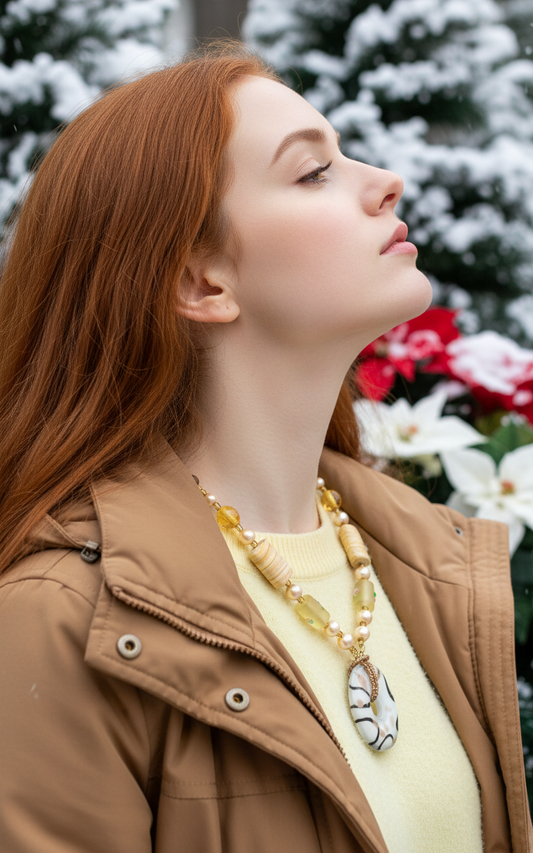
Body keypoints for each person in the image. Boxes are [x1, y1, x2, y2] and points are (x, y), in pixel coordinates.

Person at [0, 43, 530, 853]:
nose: (385, 181)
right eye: (313, 172)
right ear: (201, 282)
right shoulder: (59, 622)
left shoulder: (430, 563)